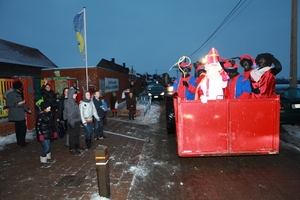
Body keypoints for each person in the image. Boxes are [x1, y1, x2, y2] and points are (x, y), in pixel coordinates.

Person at [6, 81, 32, 147]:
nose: (22, 87)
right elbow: (8, 104)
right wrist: (17, 104)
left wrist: (27, 109)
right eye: (21, 86)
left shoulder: (19, 92)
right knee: (23, 127)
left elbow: (22, 103)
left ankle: (20, 142)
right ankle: (21, 142)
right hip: (15, 113)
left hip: (20, 112)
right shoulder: (11, 94)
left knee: (18, 127)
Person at [36, 102, 58, 168]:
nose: (50, 108)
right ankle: (43, 161)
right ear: (45, 108)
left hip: (48, 133)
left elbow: (52, 124)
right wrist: (40, 134)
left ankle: (48, 158)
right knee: (45, 147)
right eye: (48, 107)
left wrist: (54, 131)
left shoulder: (49, 114)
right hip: (43, 133)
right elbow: (38, 126)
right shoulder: (41, 116)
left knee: (48, 146)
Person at [63, 87, 83, 154]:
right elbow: (69, 114)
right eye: (75, 94)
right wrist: (72, 123)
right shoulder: (69, 103)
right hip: (72, 122)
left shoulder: (73, 102)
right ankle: (72, 148)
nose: (76, 95)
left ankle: (77, 146)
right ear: (71, 94)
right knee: (72, 136)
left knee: (77, 134)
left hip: (76, 121)